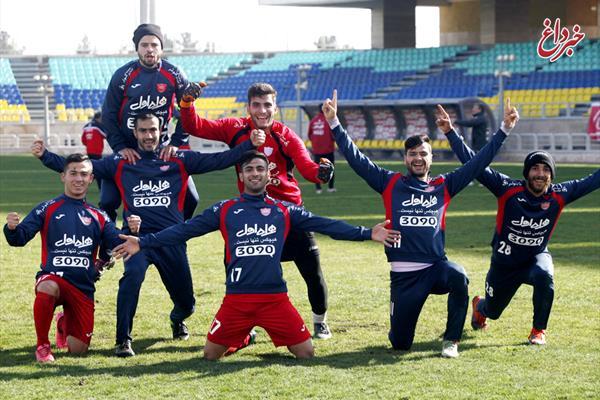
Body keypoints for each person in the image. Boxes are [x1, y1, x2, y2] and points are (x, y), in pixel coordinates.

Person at [113, 150, 400, 360]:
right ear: (241, 175)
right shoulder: (225, 209)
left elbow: (325, 224)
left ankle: (252, 334)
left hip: (275, 299)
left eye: (259, 169)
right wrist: (144, 242)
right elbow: (184, 230)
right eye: (249, 169)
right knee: (210, 355)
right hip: (236, 300)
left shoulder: (283, 211)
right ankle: (243, 338)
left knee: (306, 353)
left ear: (268, 174)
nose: (254, 173)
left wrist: (366, 233)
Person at [32, 113, 265, 357]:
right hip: (136, 239)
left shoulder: (178, 158)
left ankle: (177, 319)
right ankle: (123, 340)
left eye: (152, 130)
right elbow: (83, 168)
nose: (148, 136)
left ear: (161, 130)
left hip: (172, 239)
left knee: (186, 302)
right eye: (143, 131)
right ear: (135, 133)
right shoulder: (123, 161)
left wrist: (250, 144)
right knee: (131, 279)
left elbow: (220, 159)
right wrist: (44, 155)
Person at [321, 90, 519, 358]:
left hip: (436, 268)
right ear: (405, 158)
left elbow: (477, 163)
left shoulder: (444, 185)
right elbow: (356, 159)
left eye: (423, 153)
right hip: (404, 278)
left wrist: (504, 129)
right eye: (413, 153)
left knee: (459, 276)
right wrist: (334, 123)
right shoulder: (390, 183)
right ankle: (400, 328)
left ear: (431, 158)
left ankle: (451, 340)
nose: (418, 158)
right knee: (400, 344)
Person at [179, 82, 338, 339]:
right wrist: (187, 103)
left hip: (289, 214)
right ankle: (245, 324)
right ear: (248, 107)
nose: (262, 110)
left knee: (312, 271)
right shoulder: (235, 128)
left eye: (267, 105)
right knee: (238, 270)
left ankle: (320, 321)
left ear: (275, 107)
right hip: (251, 213)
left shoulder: (285, 135)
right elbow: (194, 126)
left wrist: (322, 172)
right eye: (256, 105)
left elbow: (308, 169)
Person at [443, 115, 600, 345]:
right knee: (493, 311)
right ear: (527, 173)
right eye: (535, 168)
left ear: (551, 174)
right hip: (504, 264)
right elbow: (473, 163)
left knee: (545, 276)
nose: (540, 173)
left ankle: (538, 330)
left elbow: (594, 179)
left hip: (535, 257)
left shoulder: (560, 194)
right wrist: (450, 133)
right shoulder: (507, 188)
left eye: (546, 169)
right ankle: (480, 306)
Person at [3, 153, 140, 363]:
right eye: (73, 173)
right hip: (53, 278)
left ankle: (63, 323)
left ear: (91, 179)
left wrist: (132, 231)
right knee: (47, 287)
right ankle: (42, 345)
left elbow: (116, 245)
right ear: (63, 176)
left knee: (78, 351)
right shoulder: (47, 207)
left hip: (83, 286)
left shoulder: (99, 215)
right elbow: (19, 239)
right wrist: (12, 229)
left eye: (84, 174)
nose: (78, 178)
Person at [101, 23, 199, 222]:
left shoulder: (175, 74)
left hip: (160, 147)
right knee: (108, 201)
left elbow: (187, 113)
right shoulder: (123, 75)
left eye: (154, 44)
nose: (149, 49)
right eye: (144, 45)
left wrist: (175, 143)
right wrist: (120, 147)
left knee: (192, 198)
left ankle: (173, 233)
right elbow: (109, 115)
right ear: (137, 48)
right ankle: (109, 244)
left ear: (161, 48)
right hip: (128, 149)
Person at [308, 104, 336, 194]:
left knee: (317, 169)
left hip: (317, 150)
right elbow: (333, 135)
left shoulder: (313, 120)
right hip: (328, 149)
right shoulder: (329, 120)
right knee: (330, 168)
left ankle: (318, 189)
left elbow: (309, 134)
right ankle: (330, 188)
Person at [81, 111, 107, 190]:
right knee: (98, 170)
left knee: (91, 169)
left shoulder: (86, 126)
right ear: (98, 118)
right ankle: (100, 188)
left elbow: (83, 140)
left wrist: (89, 145)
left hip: (89, 151)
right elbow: (106, 135)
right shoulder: (98, 126)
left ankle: (83, 185)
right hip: (97, 151)